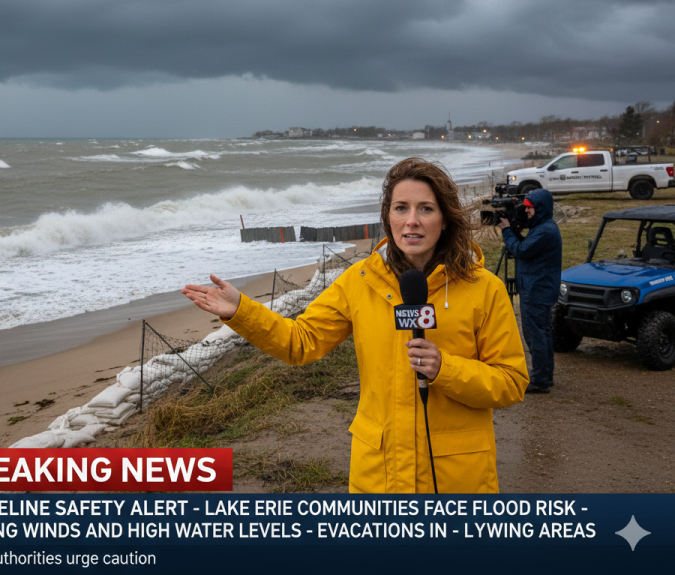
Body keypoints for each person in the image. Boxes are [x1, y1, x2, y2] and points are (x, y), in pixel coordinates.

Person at [182, 158, 528, 493]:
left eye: (426, 208)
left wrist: (445, 369)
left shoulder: (484, 289)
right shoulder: (359, 282)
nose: (412, 221)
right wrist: (241, 311)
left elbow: (511, 382)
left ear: (445, 219)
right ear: (387, 217)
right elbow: (300, 342)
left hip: (456, 475)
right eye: (401, 208)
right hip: (381, 474)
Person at [498, 188, 562, 394]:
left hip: (536, 289)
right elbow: (525, 246)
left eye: (530, 208)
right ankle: (545, 375)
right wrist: (514, 229)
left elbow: (521, 250)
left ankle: (540, 379)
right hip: (538, 287)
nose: (526, 212)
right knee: (542, 332)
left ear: (540, 208)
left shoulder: (545, 231)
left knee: (535, 335)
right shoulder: (544, 227)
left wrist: (507, 230)